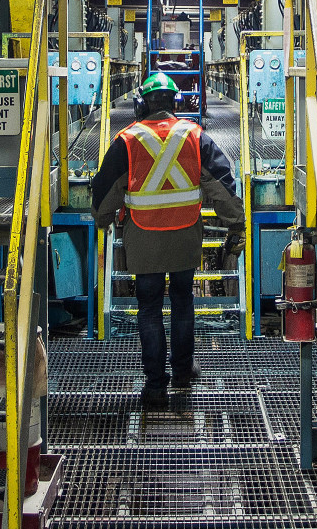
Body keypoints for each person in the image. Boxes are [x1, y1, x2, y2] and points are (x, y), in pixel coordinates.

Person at [91, 72, 243, 403]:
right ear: (174, 103)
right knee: (183, 302)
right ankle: (184, 372)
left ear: (141, 105)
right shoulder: (194, 136)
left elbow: (105, 194)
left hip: (144, 239)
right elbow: (221, 185)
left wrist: (102, 220)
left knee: (149, 307)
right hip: (184, 236)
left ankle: (156, 385)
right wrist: (237, 225)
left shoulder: (127, 141)